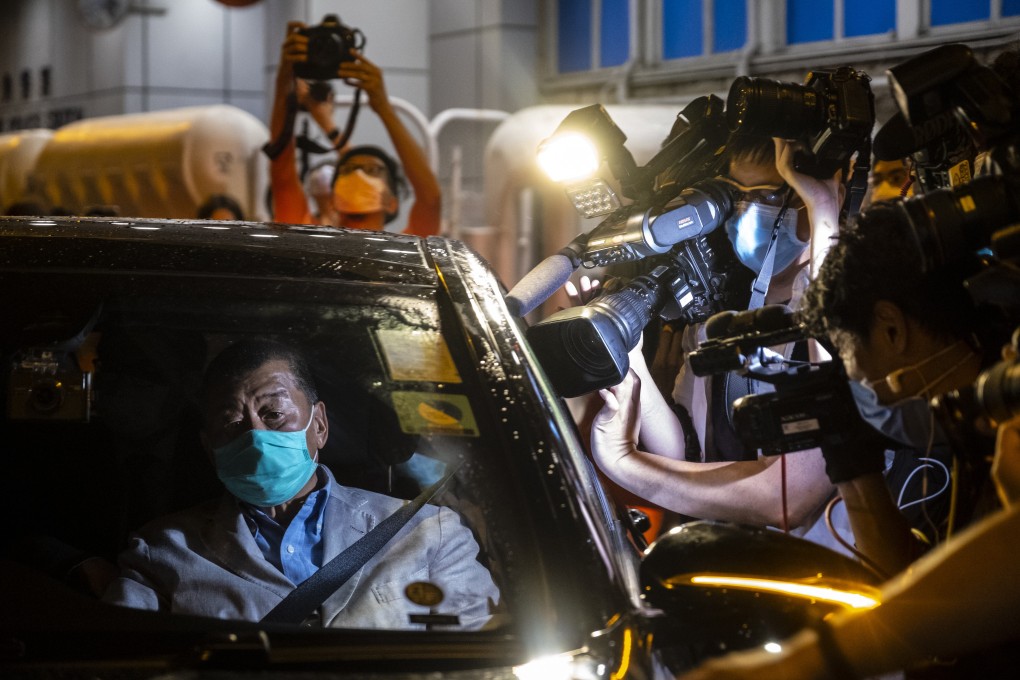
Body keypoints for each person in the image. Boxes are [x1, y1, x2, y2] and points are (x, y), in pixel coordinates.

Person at [103, 338, 499, 629]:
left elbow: (480, 656)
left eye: (274, 413)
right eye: (232, 423)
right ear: (209, 448)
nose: (255, 438)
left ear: (320, 425)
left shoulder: (430, 532)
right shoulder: (161, 553)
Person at [268, 21, 441, 236]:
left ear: (392, 202)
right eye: (348, 170)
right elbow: (282, 171)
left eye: (372, 170)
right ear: (331, 199)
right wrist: (285, 77)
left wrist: (383, 107)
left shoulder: (408, 252)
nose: (358, 175)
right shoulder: (305, 239)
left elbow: (430, 199)